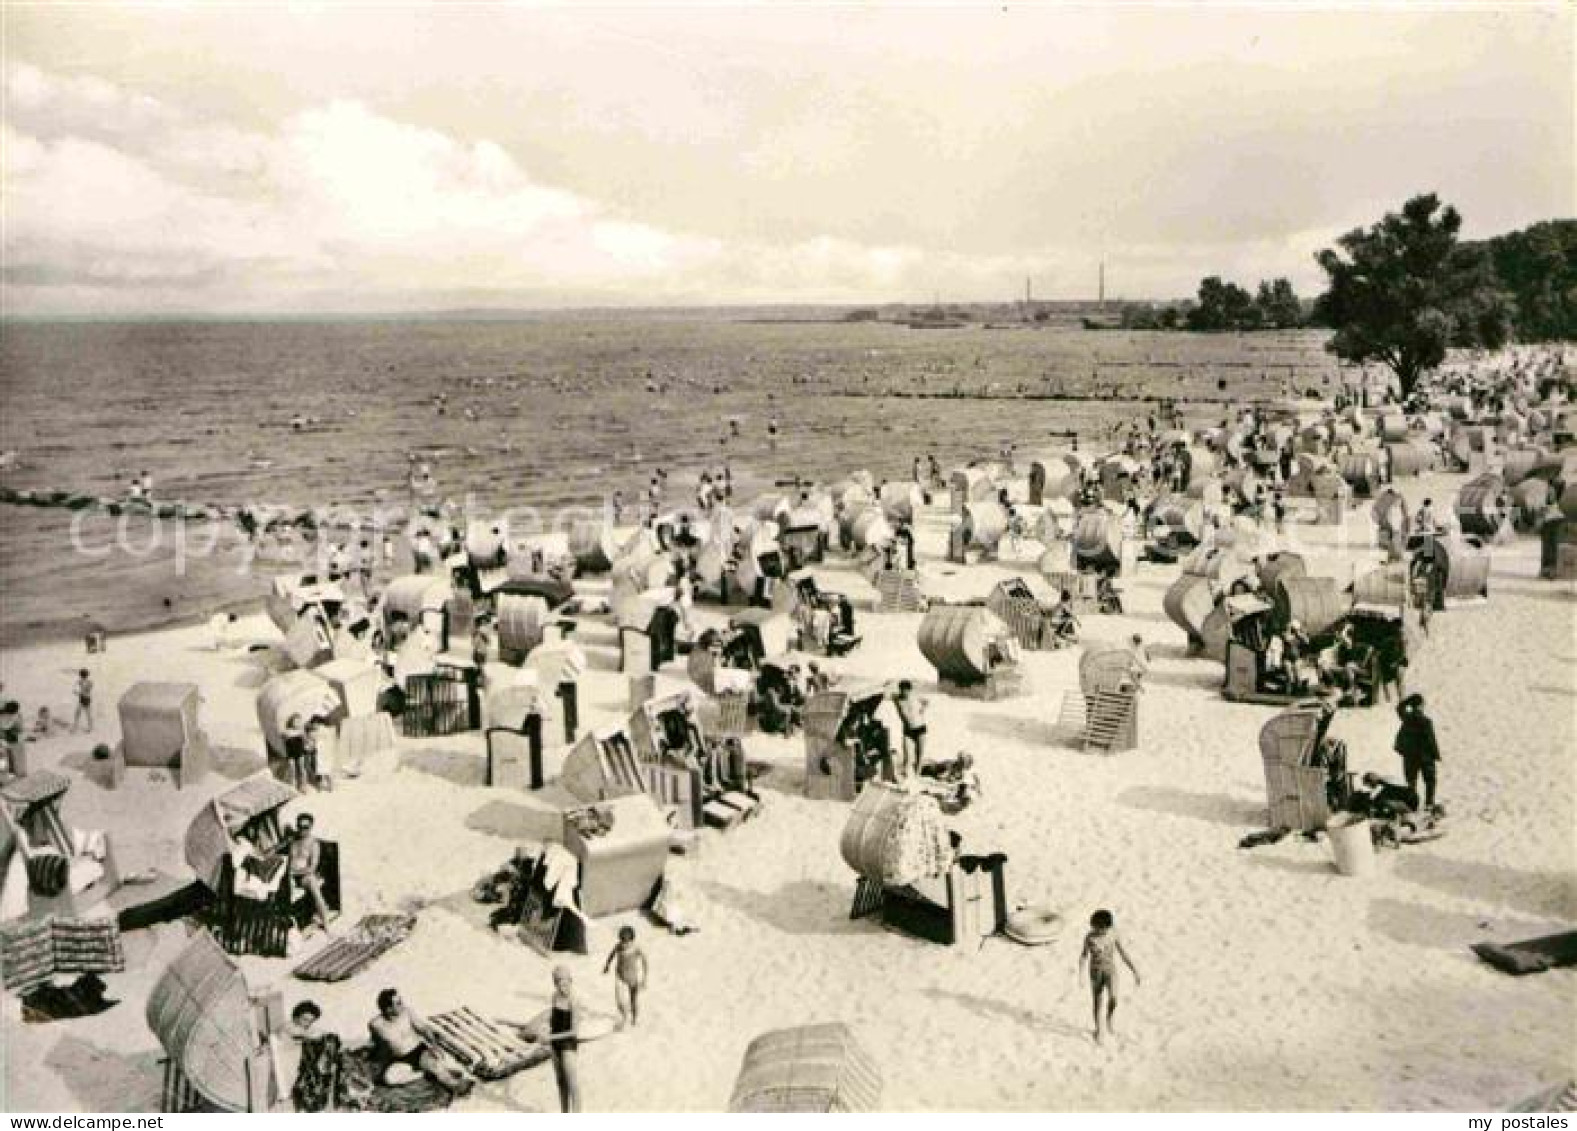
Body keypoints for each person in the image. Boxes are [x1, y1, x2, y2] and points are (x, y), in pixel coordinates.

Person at [368, 989, 472, 1094]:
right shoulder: (376, 1024)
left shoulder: (407, 1013)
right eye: (398, 1003)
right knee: (389, 1079)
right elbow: (376, 1042)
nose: (402, 1005)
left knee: (437, 1068)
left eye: (401, 1001)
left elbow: (423, 1029)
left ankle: (455, 1084)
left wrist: (433, 1046)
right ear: (388, 1009)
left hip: (419, 1051)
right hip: (400, 1059)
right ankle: (424, 1073)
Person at [1078, 909, 1141, 1046]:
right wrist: (1081, 973)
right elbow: (1084, 955)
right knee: (1098, 1002)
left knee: (1114, 998)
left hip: (1110, 970)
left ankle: (1109, 1018)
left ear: (1108, 927)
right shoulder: (1090, 938)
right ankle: (1098, 1030)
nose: (1099, 931)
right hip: (1095, 972)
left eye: (1102, 929)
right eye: (1096, 928)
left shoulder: (1113, 934)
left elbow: (1123, 953)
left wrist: (1134, 970)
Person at [280, 812, 335, 933]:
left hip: (304, 876)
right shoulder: (293, 840)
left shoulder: (313, 844)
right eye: (299, 826)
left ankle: (325, 922)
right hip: (289, 876)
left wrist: (294, 872)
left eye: (305, 827)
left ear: (311, 827)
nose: (302, 830)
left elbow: (312, 867)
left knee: (312, 883)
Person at [1393, 693, 1443, 815]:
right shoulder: (1426, 722)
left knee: (1411, 781)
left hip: (1409, 756)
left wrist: (1408, 701)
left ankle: (1412, 804)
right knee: (1430, 781)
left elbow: (1399, 707)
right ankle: (1429, 804)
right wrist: (1436, 754)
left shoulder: (1407, 717)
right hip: (1424, 757)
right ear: (1420, 706)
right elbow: (1431, 740)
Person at [603, 925, 649, 1030]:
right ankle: (623, 1017)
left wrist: (644, 979)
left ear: (632, 940)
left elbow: (645, 962)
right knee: (620, 1000)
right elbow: (611, 954)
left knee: (633, 1001)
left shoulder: (637, 948)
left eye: (627, 942)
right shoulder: (618, 946)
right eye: (622, 941)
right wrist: (607, 965)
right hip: (620, 976)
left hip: (633, 978)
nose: (624, 944)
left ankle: (635, 1018)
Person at [894, 681, 926, 777]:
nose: (904, 692)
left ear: (909, 690)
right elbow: (886, 693)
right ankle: (905, 777)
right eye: (901, 690)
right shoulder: (897, 699)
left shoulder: (915, 698)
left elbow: (926, 702)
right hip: (907, 730)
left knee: (919, 755)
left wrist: (922, 710)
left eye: (905, 690)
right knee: (907, 756)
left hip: (920, 728)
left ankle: (917, 776)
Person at [70, 669, 94, 733]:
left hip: (85, 699)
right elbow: (77, 689)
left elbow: (86, 692)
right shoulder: (81, 682)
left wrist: (77, 692)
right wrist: (77, 691)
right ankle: (76, 727)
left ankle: (90, 728)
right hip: (83, 699)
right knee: (79, 713)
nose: (82, 677)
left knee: (87, 714)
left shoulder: (88, 683)